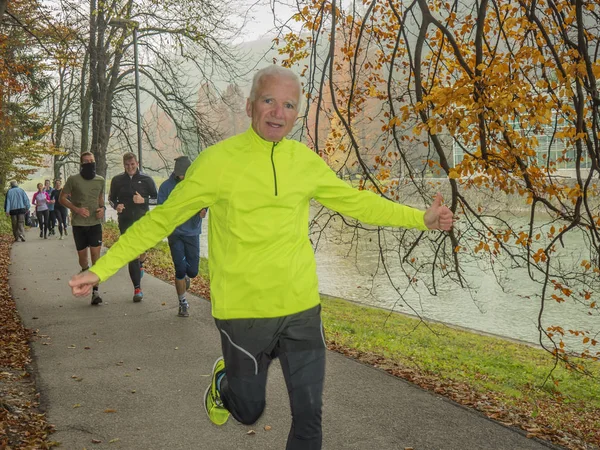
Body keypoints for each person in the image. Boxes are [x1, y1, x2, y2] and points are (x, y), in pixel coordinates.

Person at [68, 66, 454, 450]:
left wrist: (421, 218)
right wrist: (101, 269)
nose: (278, 112)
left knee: (309, 415)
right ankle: (225, 383)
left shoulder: (303, 162)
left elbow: (358, 204)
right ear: (251, 105)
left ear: (296, 113)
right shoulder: (217, 162)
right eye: (269, 100)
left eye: (288, 104)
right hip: (243, 310)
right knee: (249, 411)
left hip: (301, 307)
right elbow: (162, 220)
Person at [158, 156, 207, 317]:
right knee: (179, 268)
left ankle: (187, 276)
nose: (183, 177)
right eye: (181, 174)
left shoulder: (197, 184)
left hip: (192, 232)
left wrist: (204, 210)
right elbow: (161, 209)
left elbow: (206, 199)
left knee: (193, 271)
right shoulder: (166, 187)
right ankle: (182, 303)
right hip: (175, 233)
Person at [108, 152, 157, 303]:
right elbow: (110, 199)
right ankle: (137, 288)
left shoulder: (147, 179)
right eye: (127, 165)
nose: (130, 167)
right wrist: (117, 206)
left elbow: (157, 199)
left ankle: (141, 264)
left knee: (141, 253)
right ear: (124, 165)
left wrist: (144, 200)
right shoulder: (117, 180)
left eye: (132, 164)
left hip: (143, 222)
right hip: (125, 222)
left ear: (137, 163)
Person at [60, 152, 106, 305]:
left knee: (96, 258)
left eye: (91, 161)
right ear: (81, 163)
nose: (89, 163)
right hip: (79, 224)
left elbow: (100, 198)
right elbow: (62, 198)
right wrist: (76, 209)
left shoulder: (100, 180)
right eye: (86, 161)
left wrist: (102, 209)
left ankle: (95, 292)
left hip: (94, 224)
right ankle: (85, 271)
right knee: (83, 259)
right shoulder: (73, 180)